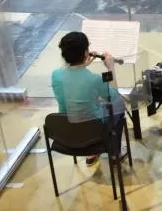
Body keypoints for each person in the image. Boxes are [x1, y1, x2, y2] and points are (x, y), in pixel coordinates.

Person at [51, 31, 124, 165]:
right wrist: (110, 68)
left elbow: (72, 79)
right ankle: (114, 154)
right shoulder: (94, 79)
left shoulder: (55, 75)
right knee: (119, 105)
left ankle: (92, 154)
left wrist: (81, 65)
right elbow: (113, 95)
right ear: (85, 53)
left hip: (66, 131)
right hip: (92, 134)